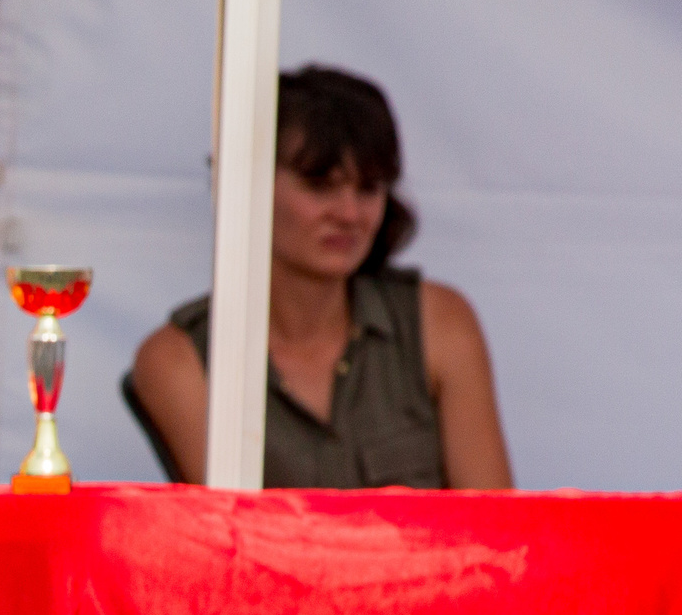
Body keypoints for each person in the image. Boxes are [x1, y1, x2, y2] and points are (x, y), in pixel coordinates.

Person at [131, 65, 511, 489]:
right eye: (320, 185)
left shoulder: (441, 322)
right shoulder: (177, 358)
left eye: (369, 188)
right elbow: (234, 542)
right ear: (244, 184)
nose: (349, 214)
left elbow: (496, 533)